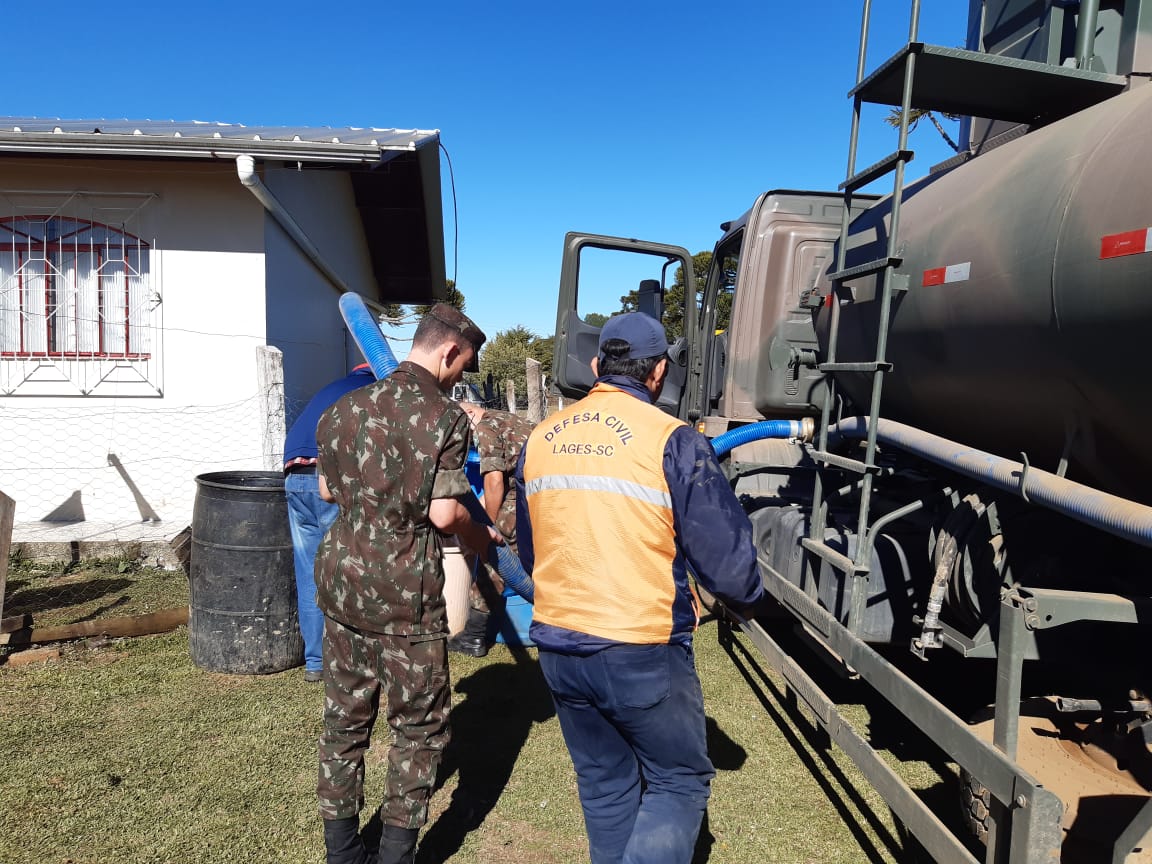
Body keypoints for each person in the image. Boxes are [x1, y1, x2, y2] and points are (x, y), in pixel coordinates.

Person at [514, 312, 765, 864]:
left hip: (557, 646)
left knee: (605, 787)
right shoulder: (671, 440)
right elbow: (725, 562)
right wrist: (748, 601)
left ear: (599, 366)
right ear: (657, 373)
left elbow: (531, 548)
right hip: (640, 647)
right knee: (678, 783)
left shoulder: (540, 438)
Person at [314, 303, 500, 864]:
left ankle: (344, 853)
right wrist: (482, 534)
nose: (460, 375)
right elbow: (445, 514)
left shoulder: (340, 409)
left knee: (345, 720)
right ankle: (395, 857)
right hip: (405, 596)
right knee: (417, 729)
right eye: (463, 364)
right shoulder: (445, 418)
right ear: (448, 351)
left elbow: (325, 492)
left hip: (343, 583)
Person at [283, 363, 375, 682]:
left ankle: (315, 663)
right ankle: (354, 657)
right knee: (349, 569)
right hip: (330, 482)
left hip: (295, 480)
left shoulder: (331, 389)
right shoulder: (370, 394)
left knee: (310, 570)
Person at [447, 402, 535, 657]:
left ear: (471, 415)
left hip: (519, 498)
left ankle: (474, 637)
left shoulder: (486, 426)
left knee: (495, 558)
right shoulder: (514, 420)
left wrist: (488, 528)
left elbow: (494, 481)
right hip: (543, 494)